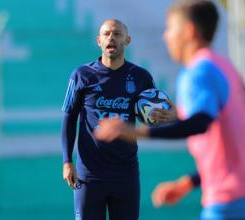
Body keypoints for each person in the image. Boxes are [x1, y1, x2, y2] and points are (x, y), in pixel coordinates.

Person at [94, 1, 245, 219]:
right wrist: (187, 183)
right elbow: (229, 144)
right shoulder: (224, 67)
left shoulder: (197, 72)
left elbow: (199, 123)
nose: (166, 36)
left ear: (189, 31)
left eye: (170, 28)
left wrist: (134, 131)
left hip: (233, 200)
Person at [61, 19, 169, 220]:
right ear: (99, 40)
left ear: (127, 40)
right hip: (89, 174)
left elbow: (156, 112)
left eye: (117, 34)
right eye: (107, 34)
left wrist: (160, 117)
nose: (112, 38)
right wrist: (67, 161)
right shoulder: (82, 75)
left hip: (125, 173)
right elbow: (69, 117)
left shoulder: (140, 77)